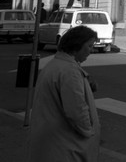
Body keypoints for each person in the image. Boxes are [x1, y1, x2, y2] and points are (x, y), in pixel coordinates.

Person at [27, 25, 100, 161]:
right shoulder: (69, 71)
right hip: (64, 147)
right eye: (89, 46)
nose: (91, 51)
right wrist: (90, 133)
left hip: (51, 142)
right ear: (77, 45)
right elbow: (76, 111)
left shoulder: (57, 65)